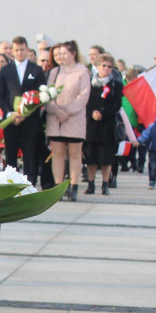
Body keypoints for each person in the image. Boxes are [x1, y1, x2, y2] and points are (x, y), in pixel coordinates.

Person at [44, 40, 91, 201]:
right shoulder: (55, 72)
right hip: (55, 118)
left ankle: (73, 185)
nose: (61, 56)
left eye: (64, 53)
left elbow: (83, 96)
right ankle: (58, 187)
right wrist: (56, 110)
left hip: (74, 119)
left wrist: (68, 111)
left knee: (74, 153)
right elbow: (47, 94)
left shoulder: (82, 72)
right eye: (59, 53)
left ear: (73, 54)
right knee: (57, 153)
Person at [0, 36, 45, 184]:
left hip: (30, 119)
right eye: (16, 50)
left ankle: (30, 183)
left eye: (22, 49)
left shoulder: (36, 69)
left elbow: (40, 94)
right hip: (11, 119)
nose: (20, 52)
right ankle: (12, 183)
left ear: (27, 49)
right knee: (11, 153)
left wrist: (26, 113)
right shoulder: (6, 70)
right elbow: (0, 95)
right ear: (12, 51)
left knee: (30, 153)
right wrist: (10, 113)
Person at [83, 53, 123, 196]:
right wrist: (92, 113)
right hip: (92, 125)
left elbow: (117, 104)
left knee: (106, 158)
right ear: (98, 66)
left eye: (109, 66)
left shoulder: (115, 84)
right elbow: (84, 100)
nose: (106, 68)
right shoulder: (89, 82)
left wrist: (103, 113)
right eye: (103, 65)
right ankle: (91, 183)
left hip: (107, 124)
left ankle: (105, 184)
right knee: (91, 157)